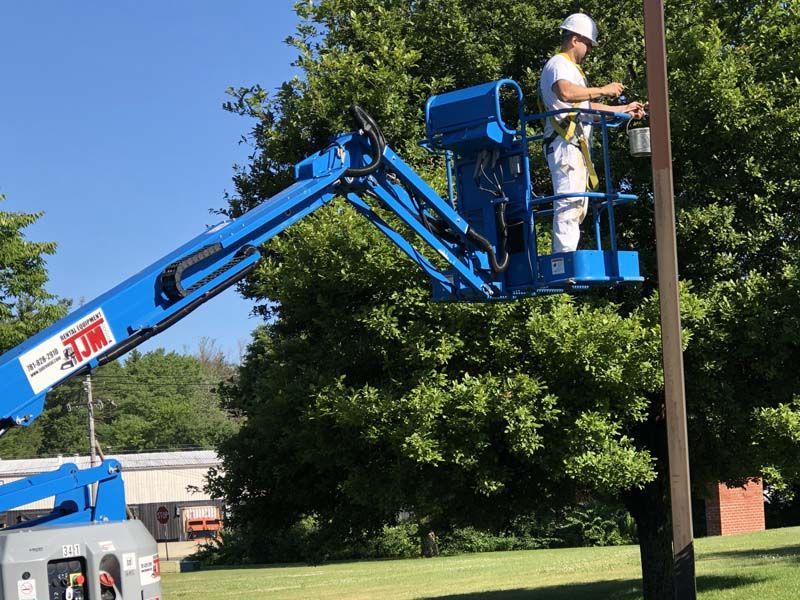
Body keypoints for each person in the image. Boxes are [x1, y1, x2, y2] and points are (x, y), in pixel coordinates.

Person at [540, 13, 646, 254]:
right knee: (570, 202)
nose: (589, 49)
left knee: (578, 205)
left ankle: (567, 256)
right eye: (588, 44)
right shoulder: (559, 64)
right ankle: (564, 259)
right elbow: (566, 93)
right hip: (565, 145)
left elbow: (587, 108)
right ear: (575, 39)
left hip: (573, 147)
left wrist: (623, 110)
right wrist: (603, 89)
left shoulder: (571, 69)